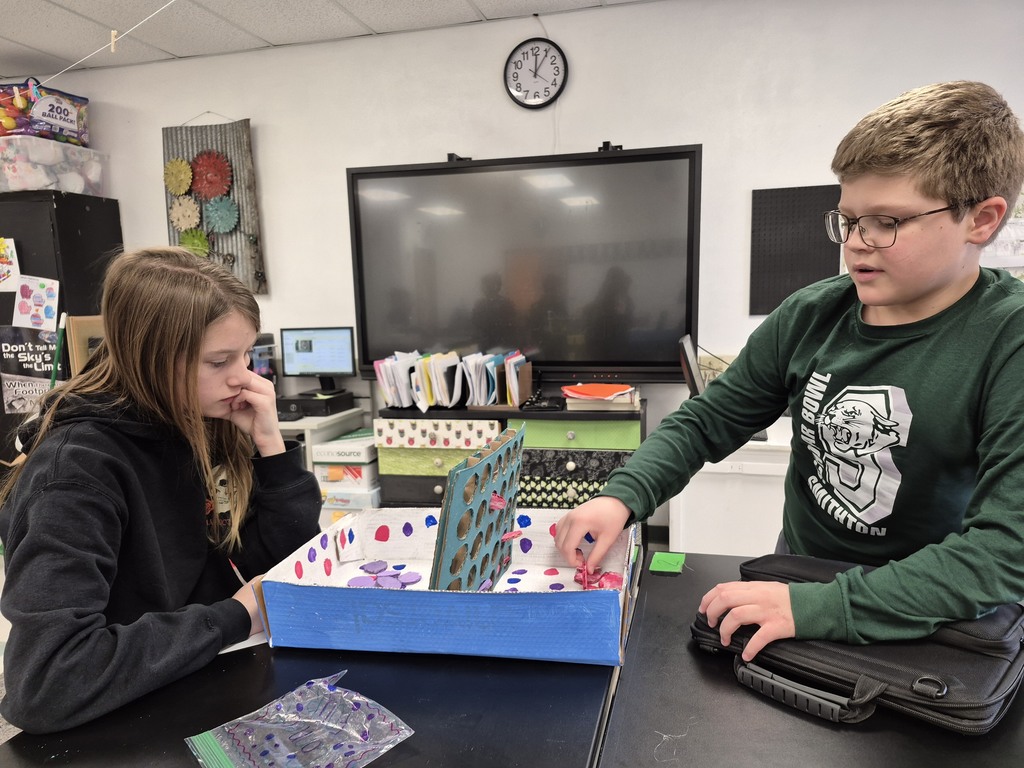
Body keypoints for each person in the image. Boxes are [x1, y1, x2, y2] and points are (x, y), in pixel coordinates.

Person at [555, 81, 1024, 662]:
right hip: (798, 577)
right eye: (848, 219)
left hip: (928, 612)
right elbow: (708, 420)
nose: (856, 244)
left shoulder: (1010, 339)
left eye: (886, 222)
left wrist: (823, 608)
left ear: (981, 219)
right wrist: (623, 497)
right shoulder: (811, 312)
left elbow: (1004, 551)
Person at [0, 247, 322, 733]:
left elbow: (290, 575)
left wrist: (270, 448)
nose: (244, 378)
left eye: (246, 355)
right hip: (129, 725)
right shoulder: (74, 474)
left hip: (203, 681)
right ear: (152, 359)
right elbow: (47, 681)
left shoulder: (196, 420)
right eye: (219, 361)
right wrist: (235, 615)